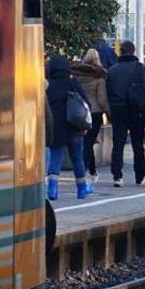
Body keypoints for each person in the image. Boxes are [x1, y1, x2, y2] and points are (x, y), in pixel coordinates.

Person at [105, 41, 145, 187]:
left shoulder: (112, 71)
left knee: (118, 143)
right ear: (133, 51)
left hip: (118, 109)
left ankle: (117, 176)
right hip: (136, 109)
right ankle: (140, 175)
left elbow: (107, 92)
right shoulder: (140, 69)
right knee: (138, 143)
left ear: (120, 51)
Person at [45, 55, 92, 200]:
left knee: (55, 158)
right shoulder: (72, 82)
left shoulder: (48, 85)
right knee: (77, 158)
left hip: (55, 128)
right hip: (74, 127)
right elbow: (86, 103)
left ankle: (52, 189)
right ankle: (82, 189)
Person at [71, 49, 108, 186]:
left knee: (86, 141)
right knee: (88, 143)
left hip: (79, 111)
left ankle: (92, 172)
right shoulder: (99, 76)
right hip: (94, 112)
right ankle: (84, 172)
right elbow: (102, 99)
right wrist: (108, 112)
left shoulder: (76, 74)